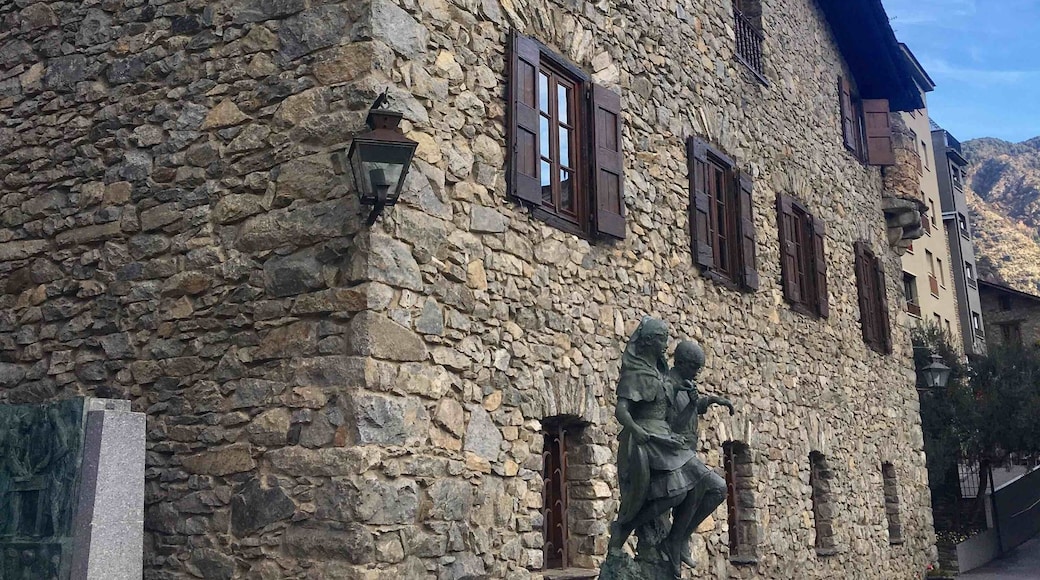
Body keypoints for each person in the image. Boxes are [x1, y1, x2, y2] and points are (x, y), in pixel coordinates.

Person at [607, 318, 733, 577]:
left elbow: (672, 414)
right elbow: (621, 410)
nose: (667, 346)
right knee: (675, 494)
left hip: (666, 440)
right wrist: (637, 431)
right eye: (663, 340)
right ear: (650, 342)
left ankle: (676, 539)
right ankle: (626, 529)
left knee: (716, 488)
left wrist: (698, 402)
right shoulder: (637, 372)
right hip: (646, 440)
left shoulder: (661, 373)